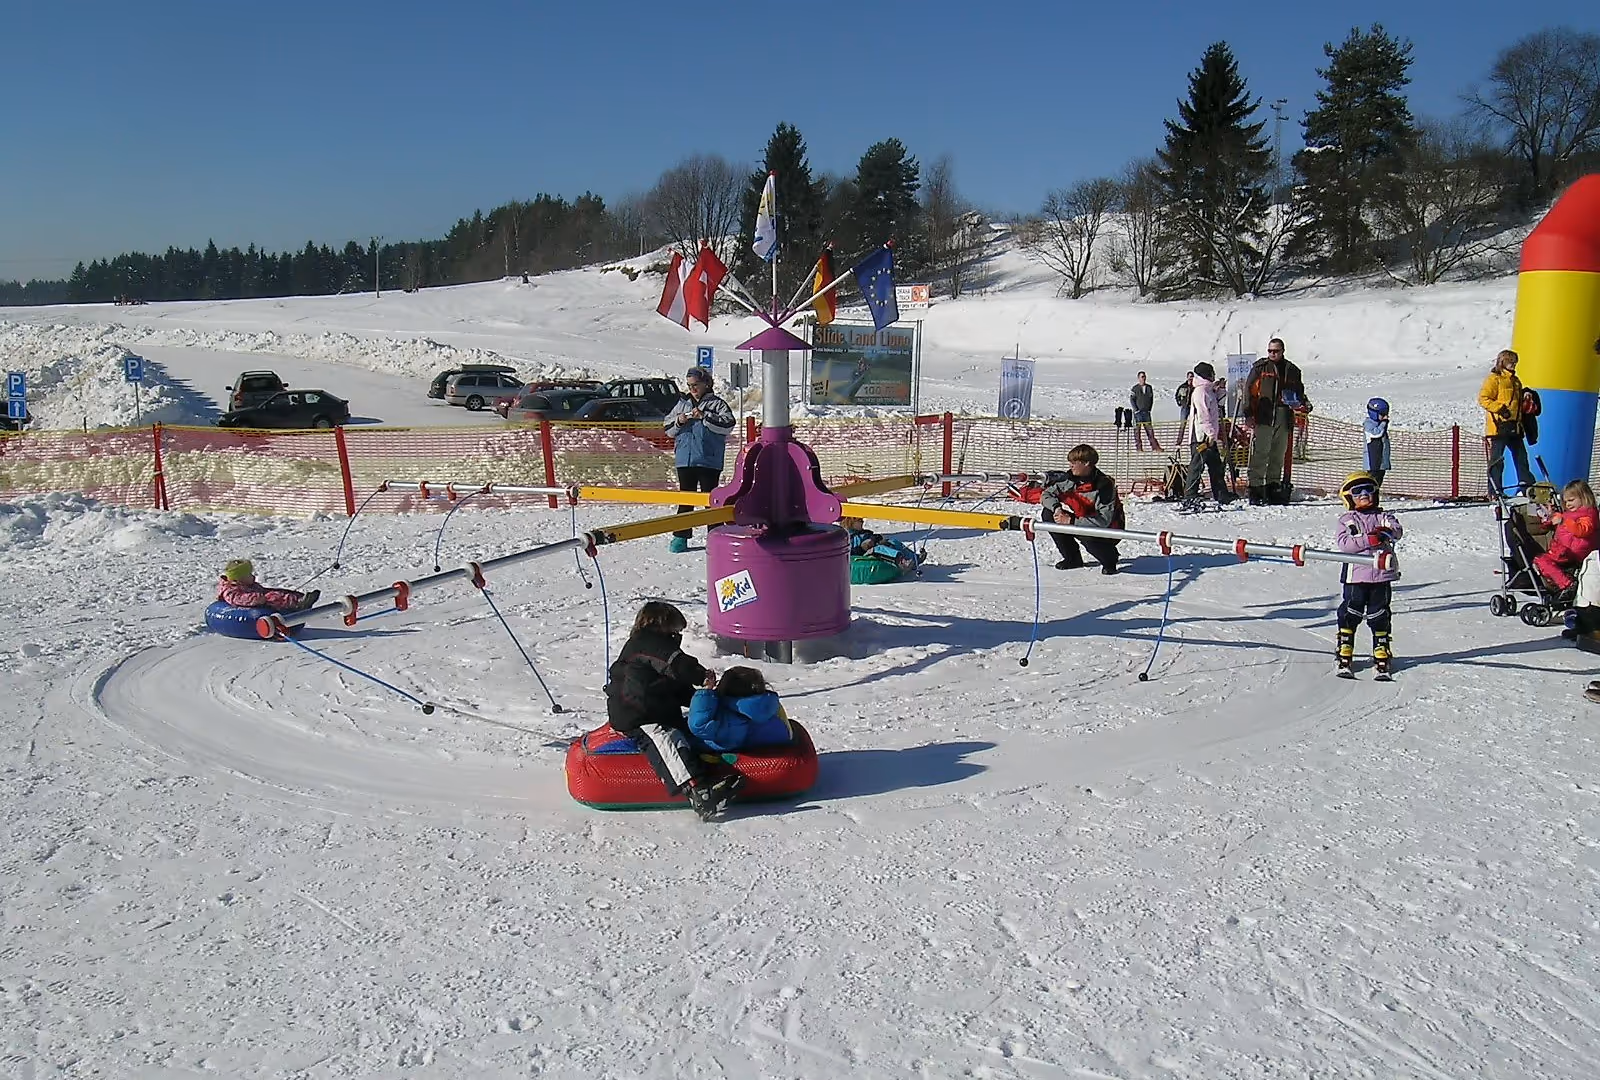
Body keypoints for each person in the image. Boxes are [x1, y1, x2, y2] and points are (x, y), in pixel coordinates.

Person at [604, 600, 745, 820]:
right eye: (676, 629)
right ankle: (697, 789)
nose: (678, 635)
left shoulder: (657, 648)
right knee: (665, 739)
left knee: (683, 734)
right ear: (661, 624)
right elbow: (677, 664)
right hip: (635, 713)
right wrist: (701, 675)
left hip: (656, 707)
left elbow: (675, 685)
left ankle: (708, 774)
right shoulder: (647, 643)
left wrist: (704, 701)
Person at [1332, 472, 1403, 677]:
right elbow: (1345, 544)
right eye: (1357, 491)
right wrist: (1368, 541)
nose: (1364, 494)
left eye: (1369, 490)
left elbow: (1396, 529)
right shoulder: (1347, 520)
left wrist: (1385, 533)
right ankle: (1345, 646)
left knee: (1379, 611)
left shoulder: (1382, 516)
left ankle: (1381, 647)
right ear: (1348, 497)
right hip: (1355, 575)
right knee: (1351, 610)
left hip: (1381, 575)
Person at [663, 367, 736, 553]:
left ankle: (715, 538)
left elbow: (728, 425)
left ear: (706, 383)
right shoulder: (682, 404)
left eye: (695, 385)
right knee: (685, 499)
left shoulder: (717, 404)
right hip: (685, 460)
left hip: (708, 460)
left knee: (710, 500)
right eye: (689, 386)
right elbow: (668, 428)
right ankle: (680, 537)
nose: (692, 389)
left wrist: (705, 417)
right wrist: (679, 421)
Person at [1243, 338, 1311, 505]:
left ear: (1282, 351)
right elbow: (1248, 392)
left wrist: (1304, 403)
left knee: (1277, 454)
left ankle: (1273, 487)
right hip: (1264, 415)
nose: (1272, 354)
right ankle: (1256, 489)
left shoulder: (1292, 370)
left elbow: (1299, 392)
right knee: (1260, 452)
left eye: (1276, 351)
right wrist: (1248, 414)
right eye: (1270, 351)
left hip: (1284, 415)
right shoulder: (1260, 368)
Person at [1039, 444, 1125, 575]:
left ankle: (1110, 558)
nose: (1070, 466)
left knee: (1086, 534)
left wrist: (1072, 521)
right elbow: (1046, 494)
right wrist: (1057, 509)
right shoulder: (1070, 479)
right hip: (1081, 520)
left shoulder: (1104, 485)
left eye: (1074, 462)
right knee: (1048, 514)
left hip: (1108, 529)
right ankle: (1072, 558)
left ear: (1086, 463)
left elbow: (1104, 521)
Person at [687, 666, 795, 753]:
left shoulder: (734, 718)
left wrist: (705, 692)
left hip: (727, 752)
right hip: (771, 745)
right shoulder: (768, 704)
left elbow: (699, 726)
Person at [1478, 349, 1536, 500]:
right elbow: (1484, 398)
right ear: (1503, 362)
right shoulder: (1494, 379)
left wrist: (1526, 396)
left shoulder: (1516, 381)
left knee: (1521, 458)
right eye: (1511, 362)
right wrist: (1500, 409)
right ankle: (1495, 491)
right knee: (1497, 461)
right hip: (1498, 427)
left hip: (1515, 427)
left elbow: (1517, 402)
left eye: (1515, 362)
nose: (1514, 365)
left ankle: (1526, 486)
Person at [1532, 480, 1599, 592]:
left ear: (1584, 497)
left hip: (1574, 552)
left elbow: (1582, 531)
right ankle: (1561, 581)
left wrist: (1563, 521)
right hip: (1567, 551)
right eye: (1566, 501)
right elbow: (1560, 524)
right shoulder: (1570, 514)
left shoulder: (1588, 515)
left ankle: (1566, 584)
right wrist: (1549, 519)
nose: (1568, 504)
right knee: (1542, 560)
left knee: (1541, 560)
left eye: (1571, 500)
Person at [1183, 362, 1233, 506]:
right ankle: (1190, 495)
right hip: (1201, 436)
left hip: (1209, 435)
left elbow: (1219, 403)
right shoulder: (1200, 392)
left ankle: (1221, 493)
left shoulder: (1209, 390)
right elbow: (1203, 415)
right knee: (1197, 466)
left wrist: (1221, 390)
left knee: (1216, 466)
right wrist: (1210, 433)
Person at [215, 559, 318, 613]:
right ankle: (298, 603)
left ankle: (300, 598)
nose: (252, 576)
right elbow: (238, 599)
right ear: (239, 578)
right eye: (249, 575)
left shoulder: (244, 584)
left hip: (260, 596)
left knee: (278, 592)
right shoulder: (230, 590)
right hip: (257, 602)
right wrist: (256, 598)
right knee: (273, 597)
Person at [1128, 371, 1163, 452]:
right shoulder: (1135, 388)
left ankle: (1155, 447)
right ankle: (1139, 448)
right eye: (1142, 377)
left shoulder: (1149, 387)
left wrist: (1149, 409)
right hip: (1138, 413)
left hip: (1146, 412)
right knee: (1137, 432)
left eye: (1144, 376)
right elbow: (1132, 399)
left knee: (1150, 431)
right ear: (1138, 378)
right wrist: (1136, 410)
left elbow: (1151, 399)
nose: (1143, 378)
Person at [1364, 398, 1391, 490]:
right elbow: (1376, 434)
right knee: (1372, 477)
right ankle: (1369, 492)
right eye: (1382, 414)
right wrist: (1383, 423)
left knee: (1380, 476)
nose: (1385, 417)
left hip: (1381, 459)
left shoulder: (1379, 424)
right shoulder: (1369, 424)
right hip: (1373, 460)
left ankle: (1375, 493)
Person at [1174, 372, 1195, 448]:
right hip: (1185, 407)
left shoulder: (1195, 387)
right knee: (1182, 424)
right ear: (1187, 377)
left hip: (1193, 407)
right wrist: (1179, 403)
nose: (1191, 378)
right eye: (1189, 376)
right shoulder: (1183, 386)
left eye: (1192, 376)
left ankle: (1193, 441)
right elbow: (1177, 395)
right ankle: (1179, 441)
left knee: (1194, 425)